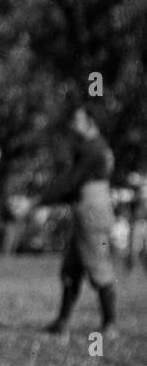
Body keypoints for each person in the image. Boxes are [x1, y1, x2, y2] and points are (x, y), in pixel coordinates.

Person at [43, 105, 117, 341]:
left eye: (77, 120)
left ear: (90, 122)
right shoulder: (90, 148)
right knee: (71, 270)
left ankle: (110, 325)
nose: (72, 125)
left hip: (92, 216)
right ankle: (62, 321)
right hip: (84, 213)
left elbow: (71, 182)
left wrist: (38, 200)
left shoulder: (95, 149)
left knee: (98, 269)